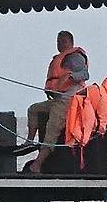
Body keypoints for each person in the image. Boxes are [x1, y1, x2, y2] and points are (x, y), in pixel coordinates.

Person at [24, 30, 89, 172]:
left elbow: (85, 74)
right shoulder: (60, 58)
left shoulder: (74, 57)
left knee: (51, 129)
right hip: (57, 98)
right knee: (33, 109)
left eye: (63, 41)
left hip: (68, 100)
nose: (60, 44)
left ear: (70, 42)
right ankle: (29, 141)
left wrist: (71, 77)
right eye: (58, 42)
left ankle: (37, 165)